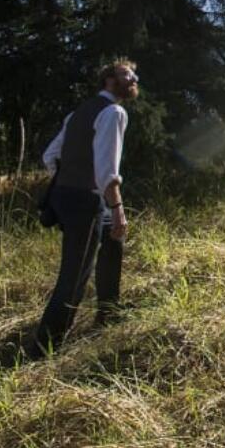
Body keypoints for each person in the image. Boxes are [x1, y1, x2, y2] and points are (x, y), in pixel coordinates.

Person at [31, 59, 138, 356]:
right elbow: (107, 170)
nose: (133, 78)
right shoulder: (114, 112)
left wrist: (69, 179)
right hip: (85, 200)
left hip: (65, 197)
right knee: (75, 274)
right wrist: (118, 207)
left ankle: (108, 312)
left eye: (133, 75)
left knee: (113, 241)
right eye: (126, 74)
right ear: (108, 80)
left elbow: (49, 156)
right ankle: (44, 349)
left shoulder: (77, 113)